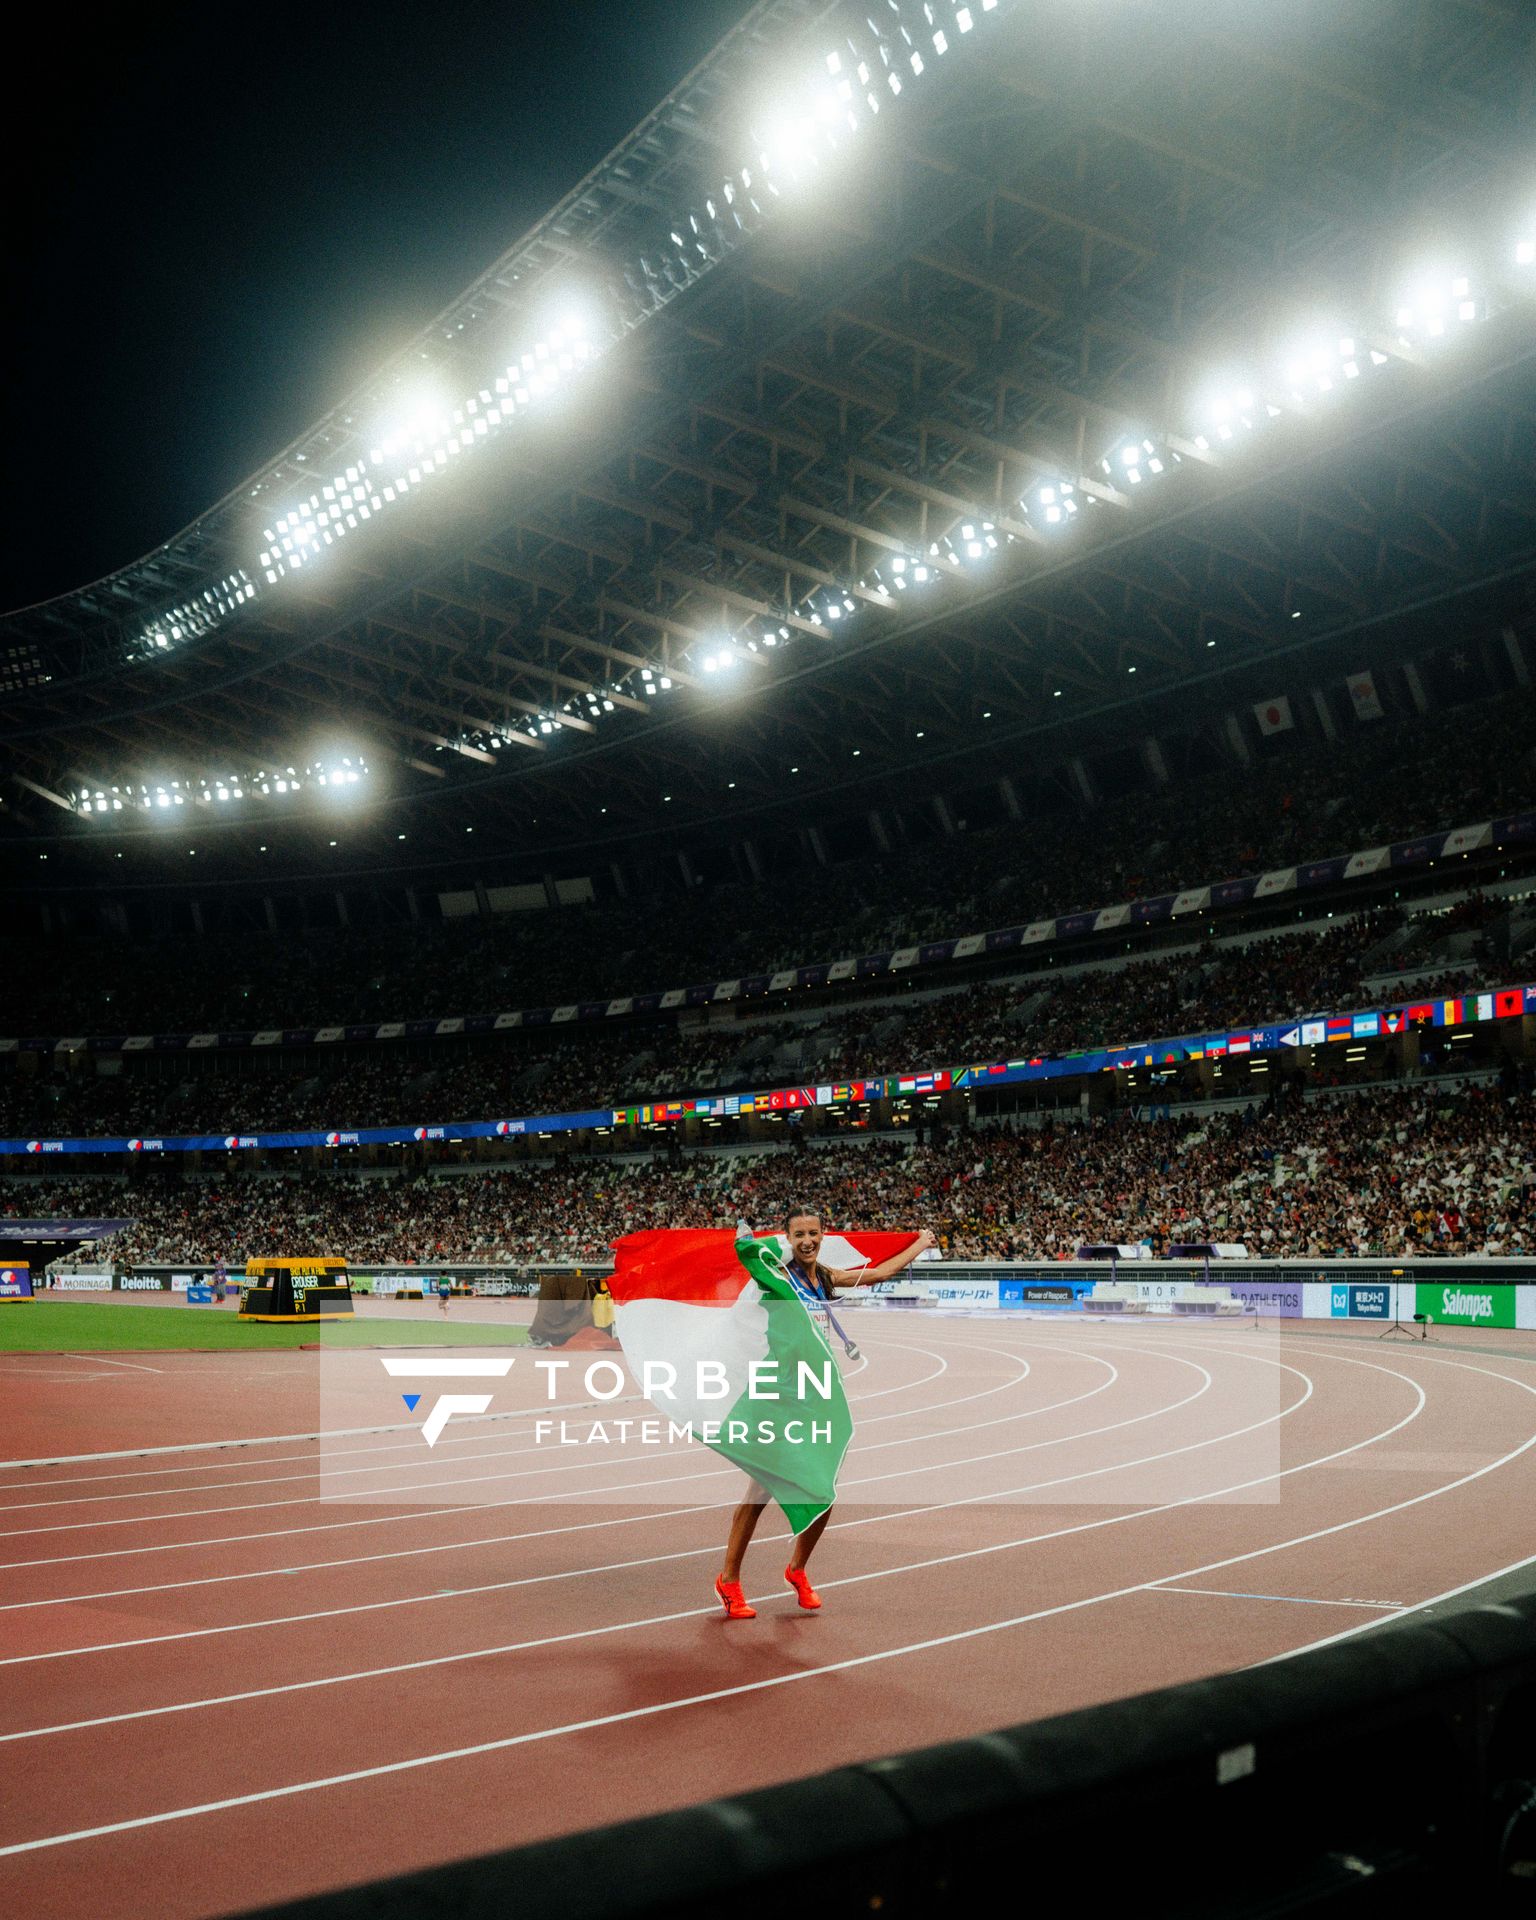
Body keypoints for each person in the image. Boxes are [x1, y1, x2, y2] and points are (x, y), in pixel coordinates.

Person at [714, 1205, 937, 1621]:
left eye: (813, 1233)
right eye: (798, 1235)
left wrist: (921, 1245)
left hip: (815, 1397)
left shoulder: (827, 1279)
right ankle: (729, 1580)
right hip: (776, 1396)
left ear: (823, 1234)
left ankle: (796, 1569)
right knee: (760, 1490)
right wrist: (750, 1237)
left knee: (824, 1490)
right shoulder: (778, 1277)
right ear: (788, 1239)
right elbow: (748, 1253)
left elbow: (879, 1274)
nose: (807, 1241)